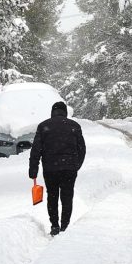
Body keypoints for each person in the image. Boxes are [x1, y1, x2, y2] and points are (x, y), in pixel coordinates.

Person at [28, 101, 86, 236]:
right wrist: (76, 165)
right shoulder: (74, 126)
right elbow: (82, 149)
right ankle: (65, 226)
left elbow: (36, 150)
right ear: (65, 112)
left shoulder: (44, 126)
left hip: (50, 169)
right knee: (67, 196)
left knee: (52, 197)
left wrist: (33, 170)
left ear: (52, 112)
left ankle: (54, 225)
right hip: (69, 169)